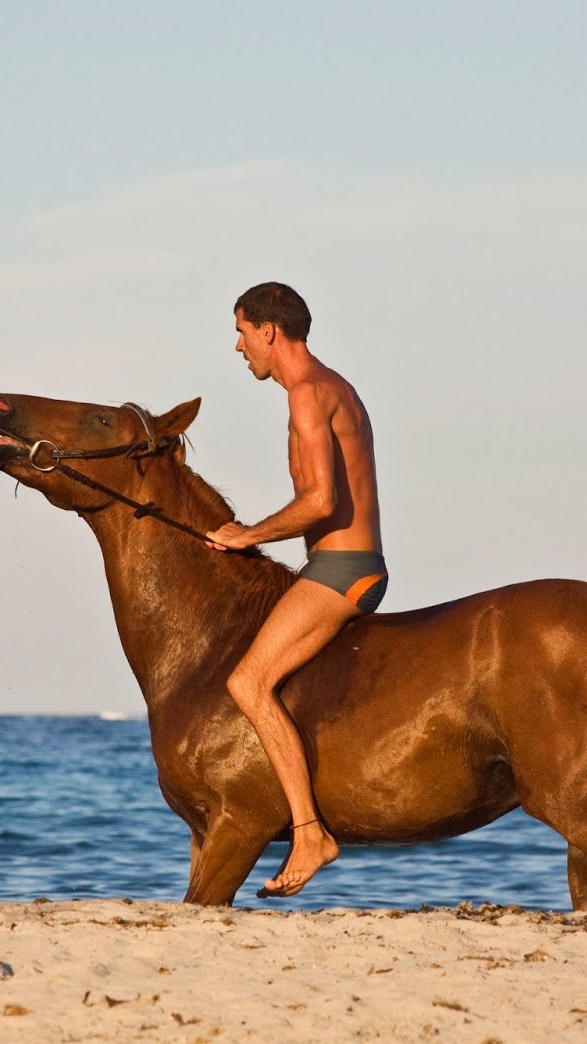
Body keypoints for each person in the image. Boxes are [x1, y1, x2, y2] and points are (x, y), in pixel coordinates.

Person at [206, 281, 387, 897]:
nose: (238, 347)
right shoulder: (333, 386)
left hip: (342, 570)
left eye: (241, 332)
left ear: (269, 331)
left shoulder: (308, 394)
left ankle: (309, 833)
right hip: (347, 563)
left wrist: (247, 535)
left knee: (246, 682)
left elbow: (320, 501)